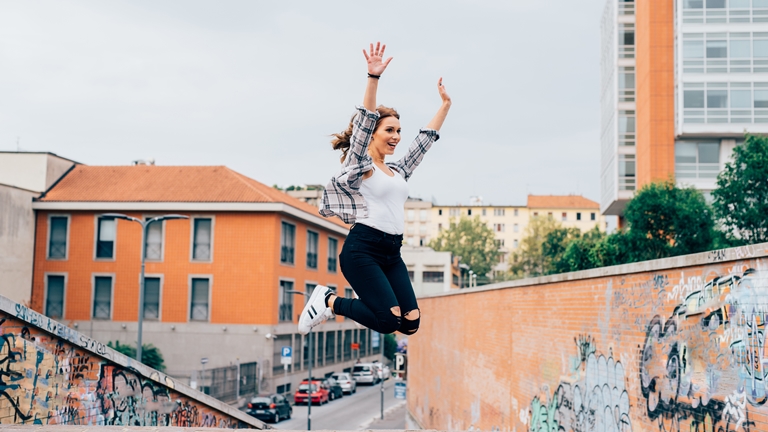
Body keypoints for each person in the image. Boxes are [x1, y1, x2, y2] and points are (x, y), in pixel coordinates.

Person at [298, 42, 451, 336]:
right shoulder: (360, 163)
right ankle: (330, 301)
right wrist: (373, 78)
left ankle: (331, 302)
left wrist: (444, 106)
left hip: (392, 253)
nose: (396, 137)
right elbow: (366, 120)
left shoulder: (397, 171)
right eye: (389, 130)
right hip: (362, 250)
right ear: (373, 134)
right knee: (387, 321)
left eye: (398, 131)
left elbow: (424, 143)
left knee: (411, 323)